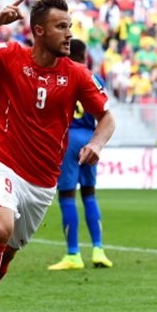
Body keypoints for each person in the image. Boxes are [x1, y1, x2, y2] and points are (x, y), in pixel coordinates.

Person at [0, 0, 115, 312]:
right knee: (0, 227)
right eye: (61, 27)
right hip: (2, 159)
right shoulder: (10, 56)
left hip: (42, 180)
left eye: (70, 26)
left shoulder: (76, 74)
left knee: (5, 256)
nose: (68, 34)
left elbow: (107, 117)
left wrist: (98, 144)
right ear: (38, 31)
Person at [48, 38, 113, 271]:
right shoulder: (95, 79)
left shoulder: (62, 76)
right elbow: (104, 111)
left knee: (66, 195)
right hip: (90, 137)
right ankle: (98, 249)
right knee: (89, 194)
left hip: (68, 139)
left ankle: (73, 254)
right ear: (85, 56)